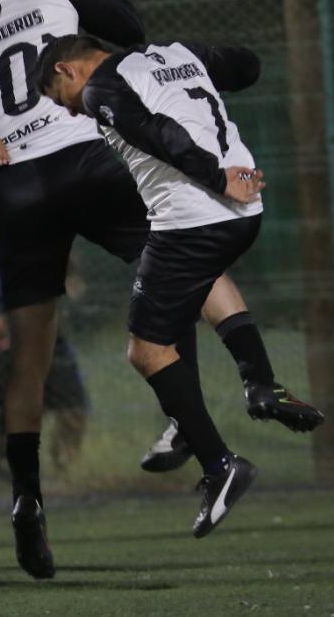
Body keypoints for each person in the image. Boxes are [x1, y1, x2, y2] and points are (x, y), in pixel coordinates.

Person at [0, 0, 321, 576]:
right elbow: (129, 37)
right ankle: (242, 385)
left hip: (19, 188)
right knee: (182, 256)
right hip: (89, 163)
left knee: (29, 358)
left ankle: (27, 502)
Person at [40, 33, 270, 539]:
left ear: (66, 70)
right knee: (176, 314)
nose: (73, 111)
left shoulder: (99, 89)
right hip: (245, 213)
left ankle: (218, 462)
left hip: (193, 218)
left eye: (62, 100)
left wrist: (217, 176)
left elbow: (158, 133)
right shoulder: (176, 54)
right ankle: (253, 385)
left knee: (146, 349)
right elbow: (246, 65)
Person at [0, 231, 89, 484]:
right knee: (0, 421)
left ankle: (61, 473)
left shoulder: (49, 213)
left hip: (44, 325)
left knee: (73, 408)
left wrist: (70, 277)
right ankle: (3, 481)